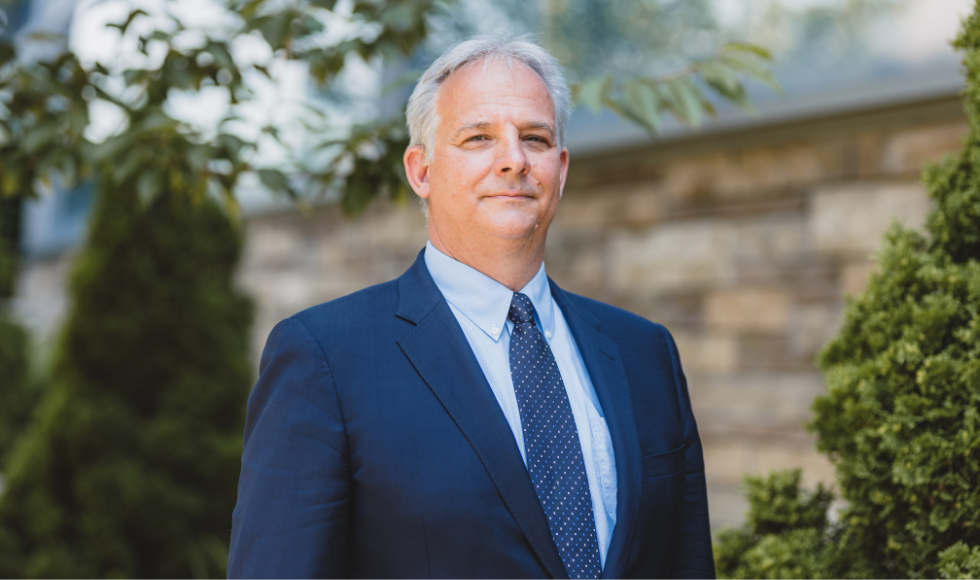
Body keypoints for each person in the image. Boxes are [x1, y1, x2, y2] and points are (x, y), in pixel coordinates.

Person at [228, 36, 713, 579]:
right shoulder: (325, 360)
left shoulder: (645, 353)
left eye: (534, 138)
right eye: (478, 137)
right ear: (422, 171)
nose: (513, 161)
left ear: (561, 167)